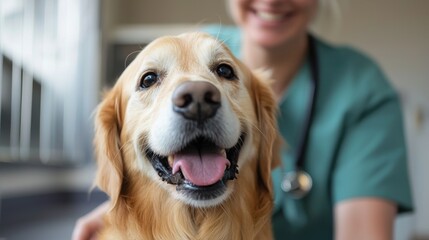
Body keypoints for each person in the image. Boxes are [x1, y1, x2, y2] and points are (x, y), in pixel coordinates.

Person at [73, 0, 413, 239]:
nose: (197, 94)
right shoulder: (197, 40)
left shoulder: (363, 90)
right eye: (150, 80)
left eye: (223, 72)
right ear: (113, 139)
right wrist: (120, 213)